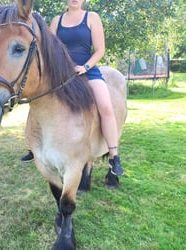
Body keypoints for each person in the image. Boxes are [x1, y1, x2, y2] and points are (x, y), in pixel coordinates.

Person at [21, 0, 123, 177]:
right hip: (60, 73)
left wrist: (86, 67)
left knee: (106, 107)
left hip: (87, 71)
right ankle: (34, 146)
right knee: (37, 100)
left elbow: (100, 50)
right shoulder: (56, 21)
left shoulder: (91, 17)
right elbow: (48, 49)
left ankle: (114, 155)